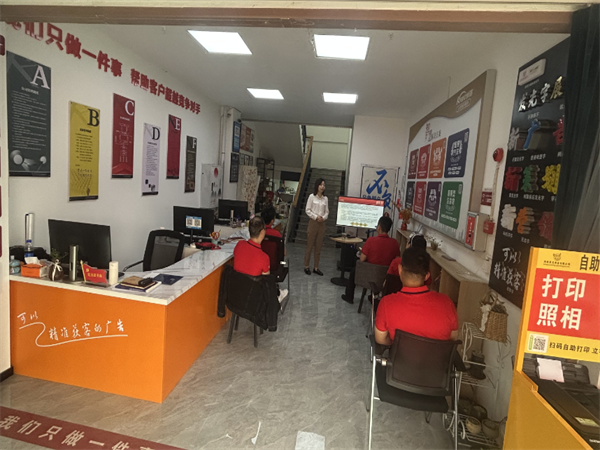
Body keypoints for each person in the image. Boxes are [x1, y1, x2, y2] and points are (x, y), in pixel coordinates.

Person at [375, 246, 458, 346]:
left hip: (401, 355)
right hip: (437, 356)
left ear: (400, 269)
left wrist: (394, 345)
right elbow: (453, 339)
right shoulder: (447, 303)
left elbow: (380, 339)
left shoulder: (387, 303)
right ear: (427, 276)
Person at [341, 216, 400, 304]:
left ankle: (349, 296)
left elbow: (362, 259)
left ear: (379, 227)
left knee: (355, 268)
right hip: (385, 279)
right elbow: (397, 259)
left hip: (369, 277)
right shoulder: (394, 243)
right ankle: (374, 296)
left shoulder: (371, 240)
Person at [234, 216, 288, 301]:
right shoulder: (264, 258)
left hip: (237, 294)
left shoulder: (239, 245)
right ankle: (278, 296)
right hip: (254, 298)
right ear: (262, 232)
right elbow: (267, 283)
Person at [304, 178, 328, 276]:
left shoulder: (325, 199)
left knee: (319, 246)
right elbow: (307, 210)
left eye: (324, 185)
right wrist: (315, 217)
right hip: (313, 222)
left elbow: (327, 212)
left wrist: (323, 218)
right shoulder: (312, 197)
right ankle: (306, 266)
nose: (322, 187)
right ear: (317, 186)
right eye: (321, 185)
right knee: (310, 245)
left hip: (322, 224)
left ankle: (316, 267)